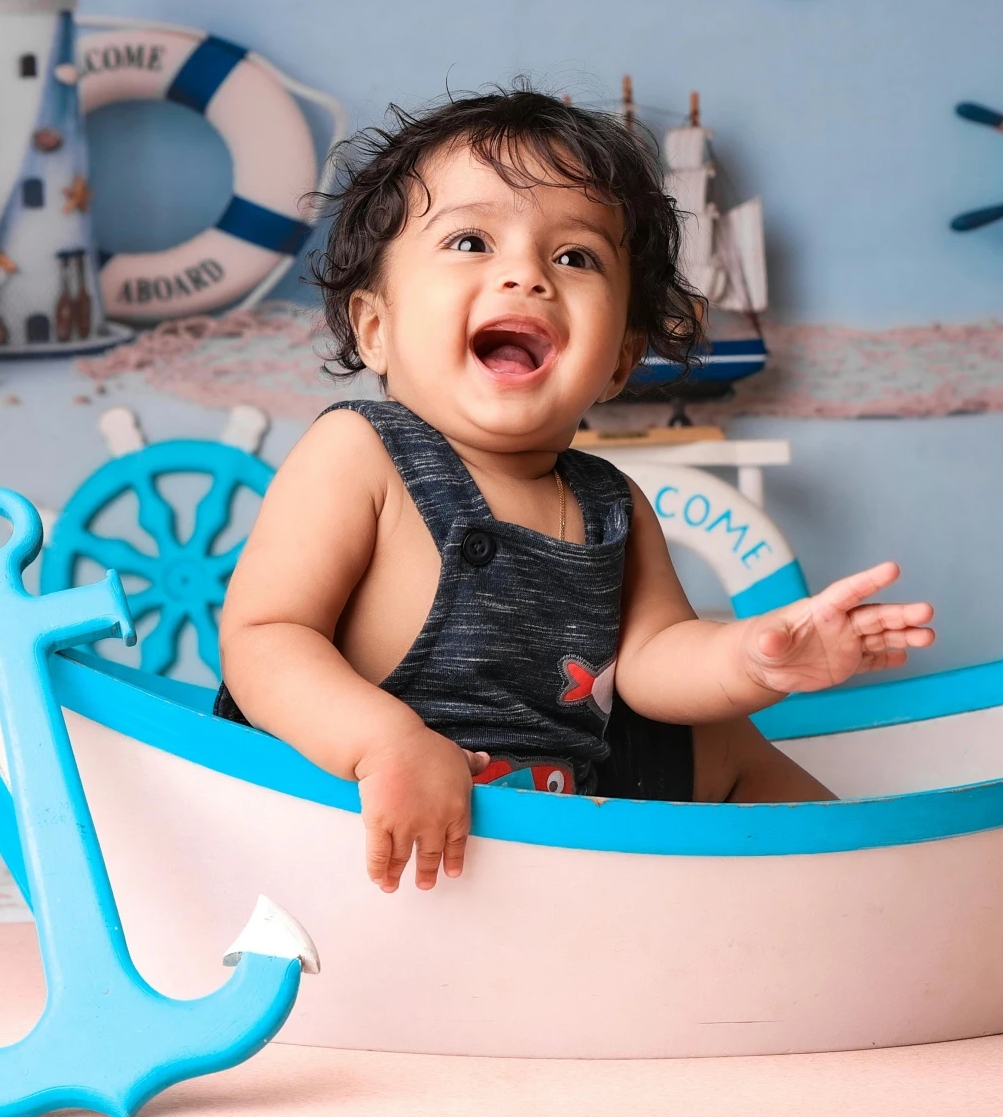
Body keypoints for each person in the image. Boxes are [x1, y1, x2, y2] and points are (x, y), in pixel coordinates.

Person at [214, 88, 933, 893]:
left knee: (722, 739)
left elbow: (654, 660)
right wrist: (382, 742)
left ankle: (867, 894)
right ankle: (864, 898)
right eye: (469, 240)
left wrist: (759, 659)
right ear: (375, 326)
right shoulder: (361, 453)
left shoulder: (610, 502)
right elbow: (265, 635)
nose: (526, 275)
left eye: (575, 257)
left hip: (558, 808)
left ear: (622, 358)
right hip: (362, 805)